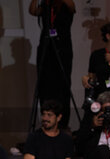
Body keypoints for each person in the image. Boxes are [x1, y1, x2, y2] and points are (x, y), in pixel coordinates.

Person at [29, 0, 76, 129]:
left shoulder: (65, 5)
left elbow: (72, 7)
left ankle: (62, 123)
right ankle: (46, 120)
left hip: (62, 47)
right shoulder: (46, 5)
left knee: (62, 86)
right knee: (44, 86)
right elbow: (33, 11)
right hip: (46, 47)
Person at [81, 22, 110, 100]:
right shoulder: (97, 54)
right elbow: (92, 77)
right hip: (102, 93)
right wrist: (86, 78)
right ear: (108, 36)